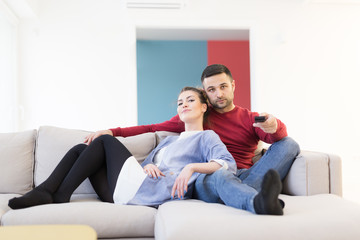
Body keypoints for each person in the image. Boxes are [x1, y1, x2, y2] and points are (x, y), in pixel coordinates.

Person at [84, 64, 300, 215]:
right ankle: (257, 200)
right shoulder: (198, 114)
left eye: (223, 86)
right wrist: (112, 132)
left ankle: (244, 192)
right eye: (211, 90)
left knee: (290, 144)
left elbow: (278, 138)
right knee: (221, 175)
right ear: (206, 96)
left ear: (233, 85)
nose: (219, 94)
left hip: (245, 174)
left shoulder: (249, 118)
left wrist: (274, 126)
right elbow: (150, 128)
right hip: (210, 176)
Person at [8, 87, 237, 209]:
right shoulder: (169, 140)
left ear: (204, 107)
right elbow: (148, 165)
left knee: (105, 141)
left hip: (150, 192)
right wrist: (147, 167)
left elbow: (228, 164)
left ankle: (58, 193)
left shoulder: (207, 136)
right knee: (80, 148)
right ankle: (51, 191)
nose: (183, 104)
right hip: (128, 189)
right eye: (180, 102)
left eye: (190, 100)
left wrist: (191, 168)